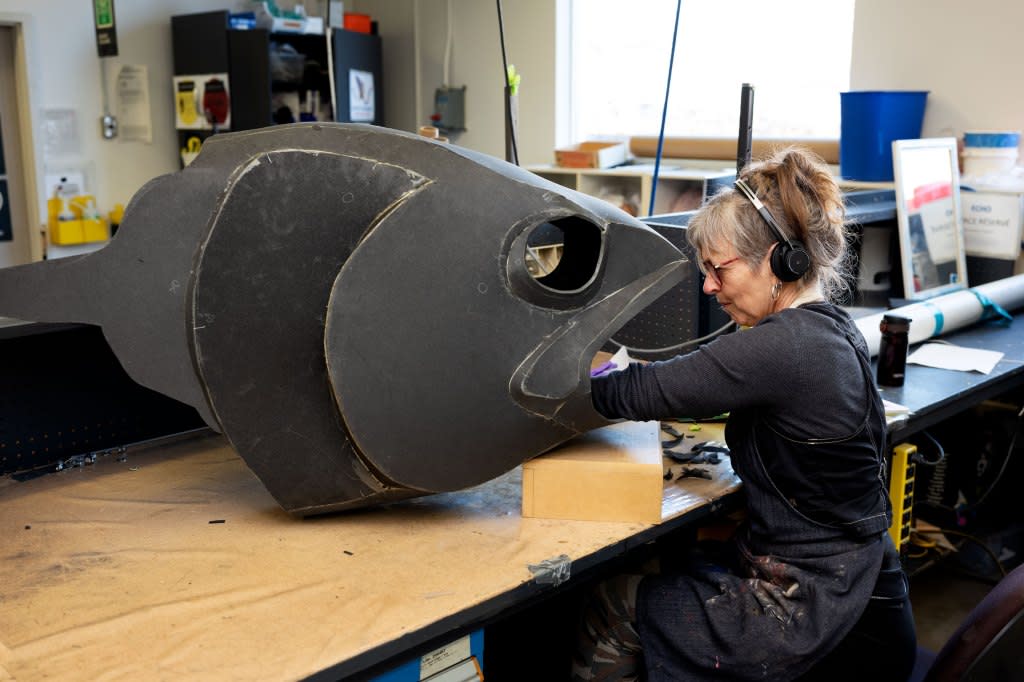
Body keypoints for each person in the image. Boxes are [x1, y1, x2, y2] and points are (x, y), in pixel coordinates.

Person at [572, 147, 917, 681]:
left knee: (617, 600)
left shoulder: (787, 348)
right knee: (676, 566)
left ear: (782, 261)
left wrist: (557, 379)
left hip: (819, 611)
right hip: (853, 585)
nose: (709, 286)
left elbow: (639, 392)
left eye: (718, 268)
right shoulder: (831, 328)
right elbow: (702, 388)